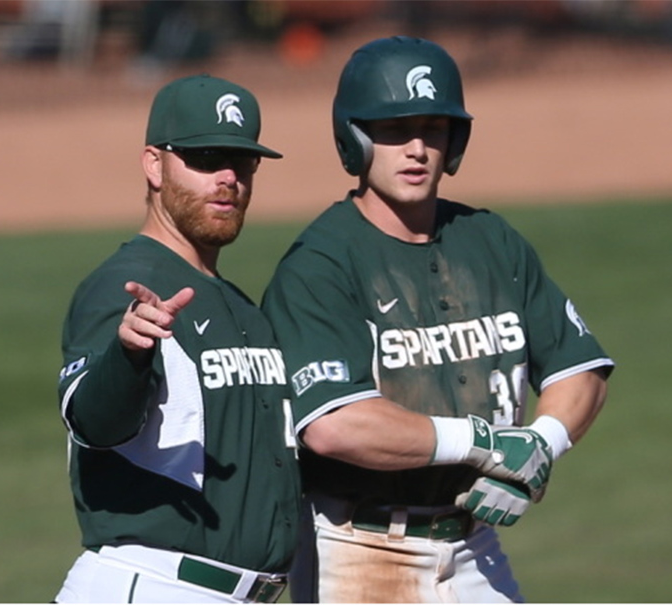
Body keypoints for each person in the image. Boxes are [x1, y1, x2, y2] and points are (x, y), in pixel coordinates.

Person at [261, 36, 615, 603]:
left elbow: (582, 369)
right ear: (354, 139)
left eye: (434, 128)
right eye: (395, 130)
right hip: (359, 553)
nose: (417, 148)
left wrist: (542, 444)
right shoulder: (322, 264)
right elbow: (335, 424)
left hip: (476, 548)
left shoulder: (491, 241)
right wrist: (485, 444)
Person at [53, 74, 300, 603]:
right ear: (153, 164)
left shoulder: (242, 308)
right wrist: (129, 355)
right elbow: (92, 422)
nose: (228, 177)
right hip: (157, 586)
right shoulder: (119, 287)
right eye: (206, 157)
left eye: (243, 160)